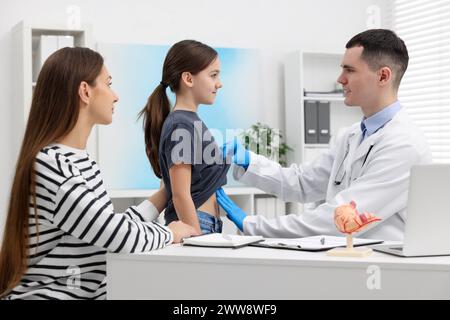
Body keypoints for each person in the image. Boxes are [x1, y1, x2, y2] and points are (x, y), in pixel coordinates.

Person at [0, 47, 197, 300]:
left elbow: (104, 226)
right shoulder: (51, 165)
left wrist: (164, 193)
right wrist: (172, 233)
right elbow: (117, 235)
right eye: (109, 84)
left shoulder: (83, 163)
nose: (116, 96)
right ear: (85, 91)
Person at [217, 29, 432, 241]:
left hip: (384, 267)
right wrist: (249, 163)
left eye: (350, 70)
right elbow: (302, 183)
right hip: (348, 258)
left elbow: (341, 219)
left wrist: (254, 225)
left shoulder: (404, 145)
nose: (340, 79)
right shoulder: (352, 136)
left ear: (383, 76)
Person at [139, 40, 229, 235]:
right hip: (197, 226)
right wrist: (197, 240)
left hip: (205, 223)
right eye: (213, 75)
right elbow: (180, 195)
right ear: (188, 79)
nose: (219, 83)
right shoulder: (181, 124)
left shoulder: (186, 121)